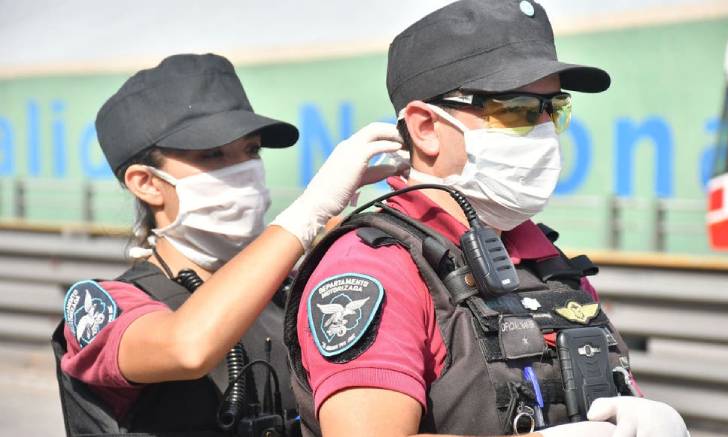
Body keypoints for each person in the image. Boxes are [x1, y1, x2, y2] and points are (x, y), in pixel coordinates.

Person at [285, 1, 689, 436]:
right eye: (516, 110)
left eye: (553, 108)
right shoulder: (375, 265)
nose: (543, 129)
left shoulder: (548, 262)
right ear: (424, 126)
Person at [51, 53, 404, 436]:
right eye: (213, 154)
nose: (243, 170)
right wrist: (309, 212)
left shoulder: (287, 290)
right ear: (146, 183)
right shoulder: (104, 306)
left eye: (251, 150)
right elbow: (186, 348)